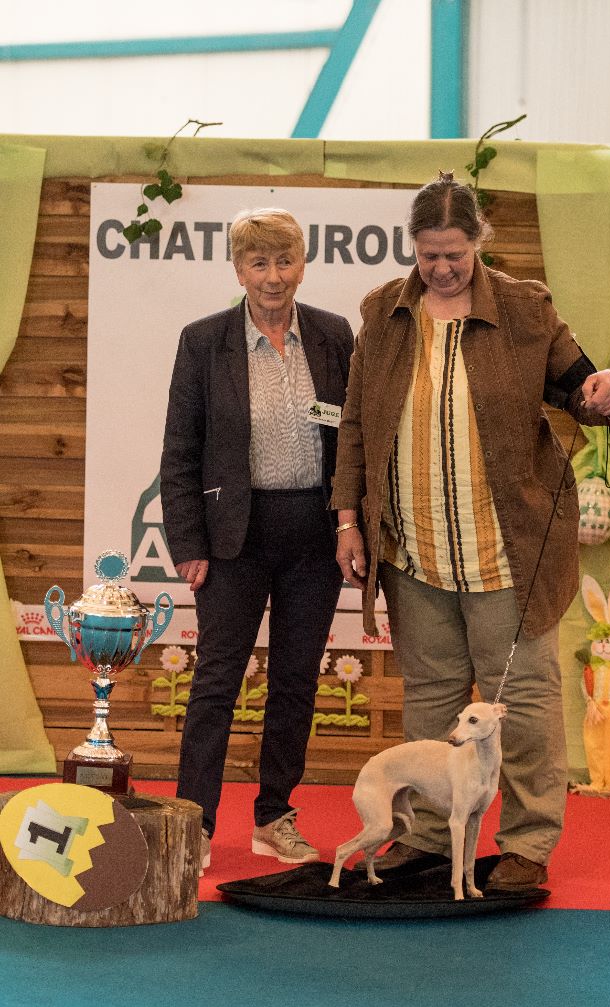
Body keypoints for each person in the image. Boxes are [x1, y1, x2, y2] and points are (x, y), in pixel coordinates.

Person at [331, 173, 610, 894]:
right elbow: (354, 424)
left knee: (524, 704)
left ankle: (527, 843)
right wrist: (349, 518)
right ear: (412, 246)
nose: (440, 267)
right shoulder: (383, 313)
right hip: (415, 552)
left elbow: (582, 391)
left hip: (507, 550)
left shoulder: (527, 310)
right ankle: (432, 840)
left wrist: (604, 392)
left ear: (478, 244)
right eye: (428, 254)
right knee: (432, 704)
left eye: (455, 254)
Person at [161, 208, 353, 872]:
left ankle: (274, 817)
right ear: (238, 269)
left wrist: (349, 526)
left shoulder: (333, 335)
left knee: (296, 682)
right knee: (216, 680)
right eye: (258, 263)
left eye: (284, 260)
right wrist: (187, 541)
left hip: (314, 541)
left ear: (303, 262)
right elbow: (180, 452)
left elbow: (350, 444)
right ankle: (193, 826)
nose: (273, 277)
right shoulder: (202, 341)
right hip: (230, 541)